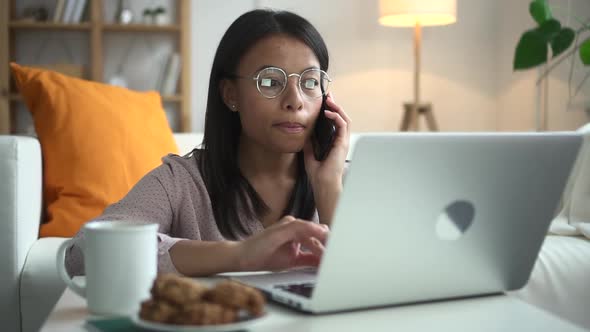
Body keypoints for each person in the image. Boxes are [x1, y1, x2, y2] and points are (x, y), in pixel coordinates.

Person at [65, 9, 351, 277]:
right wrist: (240, 254)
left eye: (310, 82)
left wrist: (328, 190)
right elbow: (84, 252)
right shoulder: (183, 181)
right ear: (230, 95)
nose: (295, 101)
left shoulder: (346, 179)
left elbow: (378, 278)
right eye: (270, 82)